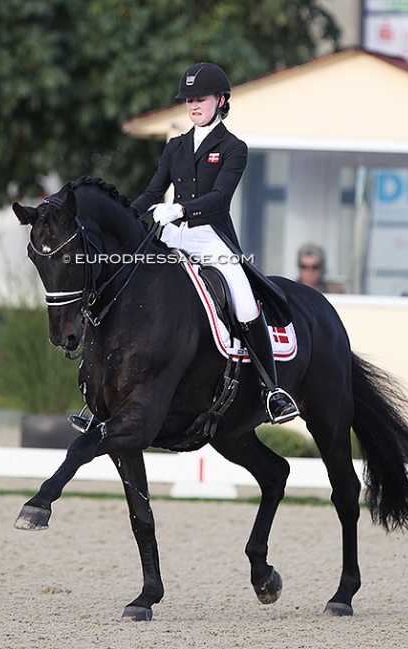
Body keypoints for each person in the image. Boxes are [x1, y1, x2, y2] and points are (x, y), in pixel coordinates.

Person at [131, 62, 299, 423]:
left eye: (201, 99)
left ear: (220, 100)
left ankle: (273, 390)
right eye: (189, 100)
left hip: (210, 236)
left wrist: (179, 209)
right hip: (173, 234)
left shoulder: (233, 148)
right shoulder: (175, 145)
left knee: (244, 302)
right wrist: (126, 215)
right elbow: (152, 191)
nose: (193, 106)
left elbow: (220, 198)